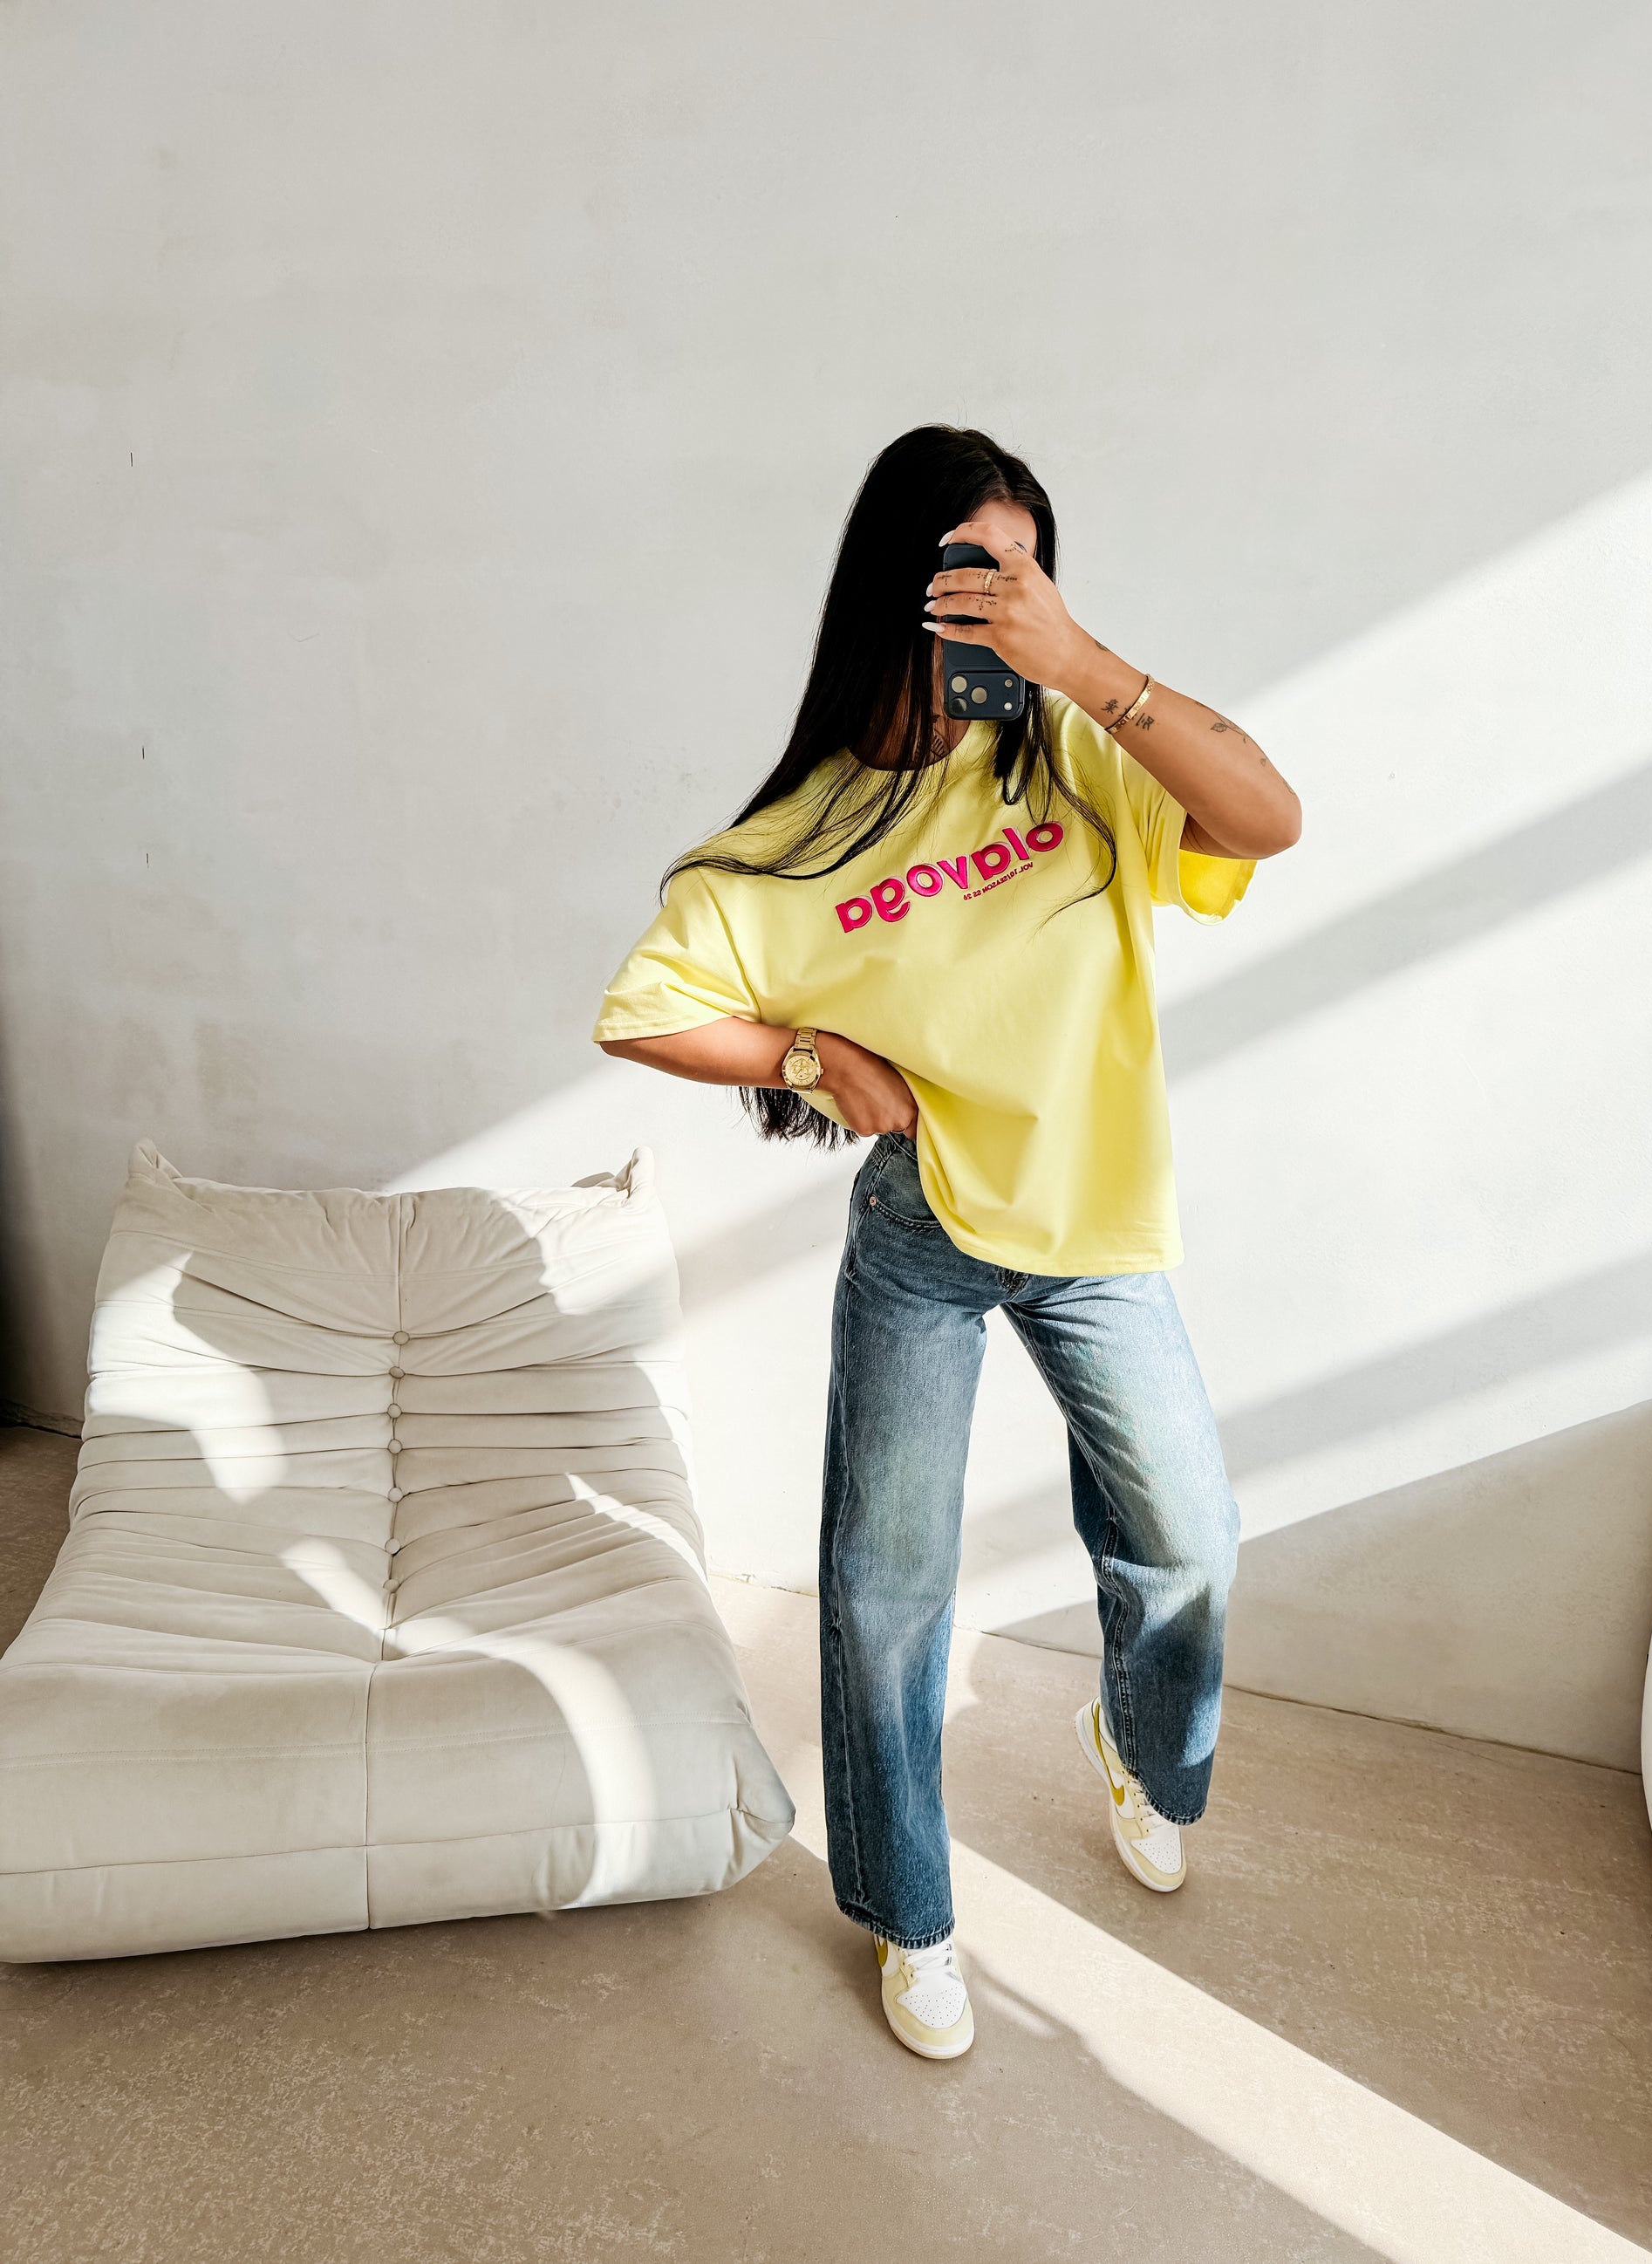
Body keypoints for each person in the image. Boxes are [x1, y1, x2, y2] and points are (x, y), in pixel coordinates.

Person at [593, 425, 1300, 2060]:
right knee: (889, 1590)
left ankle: (1140, 1745)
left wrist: (1083, 666)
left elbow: (1265, 818)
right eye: (970, 566)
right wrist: (810, 1057)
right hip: (922, 1227)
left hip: (1095, 1227)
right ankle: (908, 1911)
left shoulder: (1083, 764)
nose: (1001, 595)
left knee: (1189, 1537)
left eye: (1025, 567)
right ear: (891, 587)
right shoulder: (794, 839)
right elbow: (641, 1009)